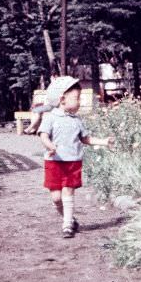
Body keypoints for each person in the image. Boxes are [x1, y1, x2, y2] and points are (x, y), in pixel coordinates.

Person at [37, 76, 115, 238]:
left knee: (68, 192)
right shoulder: (50, 117)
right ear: (62, 99)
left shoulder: (77, 120)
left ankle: (67, 226)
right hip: (54, 162)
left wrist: (103, 141)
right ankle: (70, 218)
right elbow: (44, 136)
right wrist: (50, 146)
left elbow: (85, 139)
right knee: (56, 198)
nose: (79, 102)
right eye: (76, 98)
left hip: (73, 162)